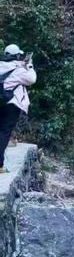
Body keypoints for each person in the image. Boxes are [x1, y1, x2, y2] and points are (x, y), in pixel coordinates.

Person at [0, 45, 36, 174]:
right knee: (4, 132)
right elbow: (32, 79)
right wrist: (29, 65)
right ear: (17, 56)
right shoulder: (19, 70)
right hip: (10, 104)